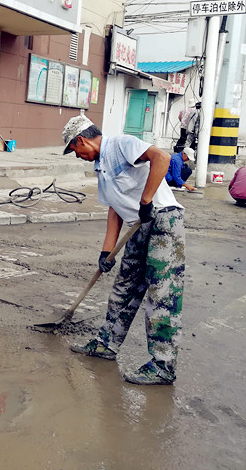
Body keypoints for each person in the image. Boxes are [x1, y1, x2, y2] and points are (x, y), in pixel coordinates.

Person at [62, 114, 185, 386]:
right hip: (136, 226)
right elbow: (114, 208)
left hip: (162, 219)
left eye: (74, 150)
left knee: (162, 293)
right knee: (124, 288)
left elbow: (162, 158)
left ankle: (162, 366)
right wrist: (106, 251)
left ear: (81, 140)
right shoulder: (101, 167)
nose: (77, 156)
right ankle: (106, 343)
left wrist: (146, 200)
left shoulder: (121, 144)